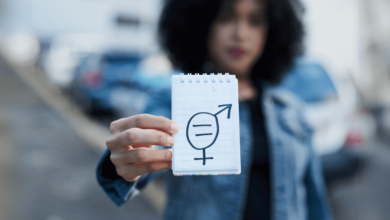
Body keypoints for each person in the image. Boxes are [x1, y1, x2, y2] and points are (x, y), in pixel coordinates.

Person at [96, 0, 332, 219]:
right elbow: (143, 159)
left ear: (271, 31)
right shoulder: (176, 100)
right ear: (202, 23)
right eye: (225, 17)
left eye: (255, 21)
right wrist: (125, 163)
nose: (240, 33)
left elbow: (314, 203)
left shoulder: (291, 111)